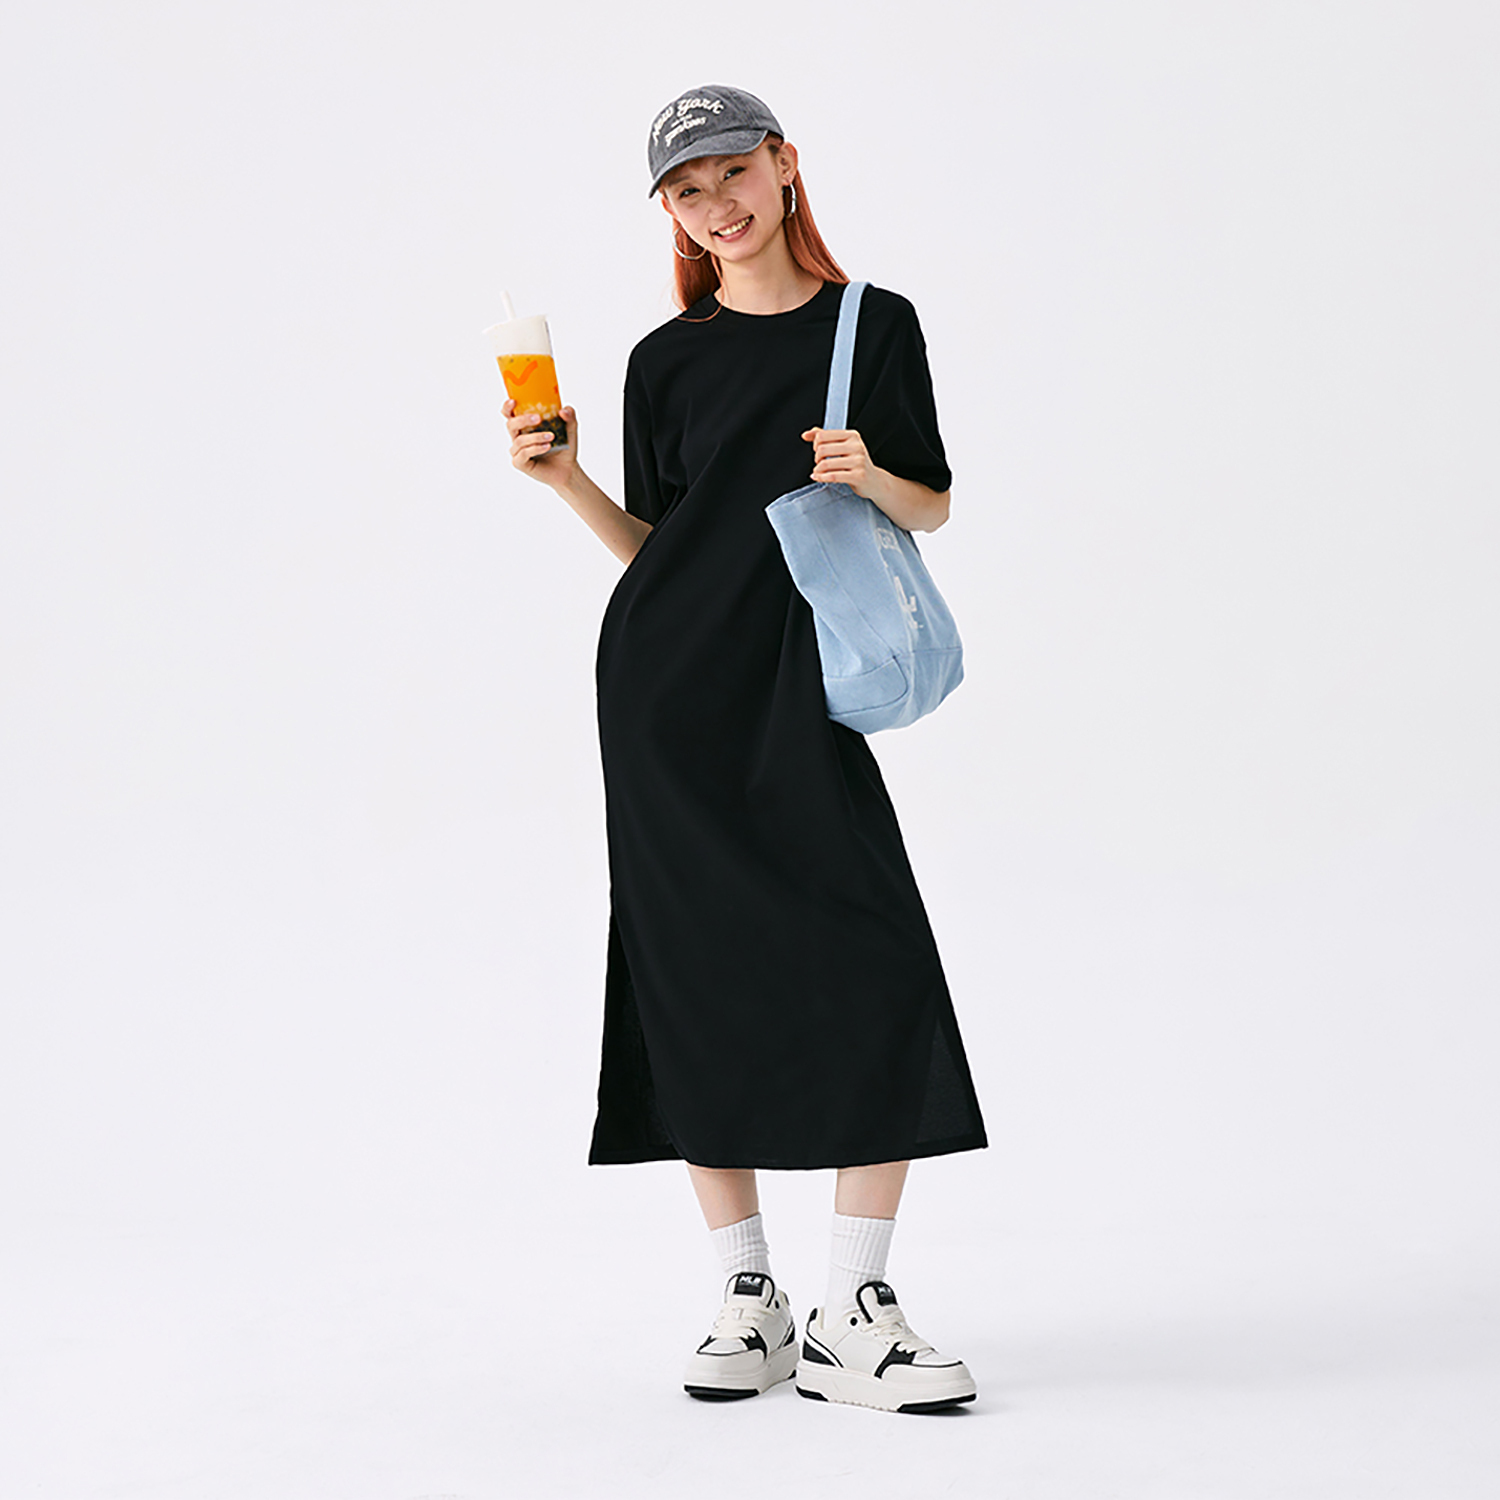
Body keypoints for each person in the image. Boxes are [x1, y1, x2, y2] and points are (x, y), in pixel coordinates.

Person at [503, 84, 988, 1414]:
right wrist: (567, 482)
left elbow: (933, 506)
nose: (714, 204)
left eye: (730, 172)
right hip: (665, 695)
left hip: (799, 691)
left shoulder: (872, 324)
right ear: (669, 211)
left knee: (875, 963)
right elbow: (663, 550)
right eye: (685, 189)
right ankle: (748, 1297)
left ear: (783, 164)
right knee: (690, 971)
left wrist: (866, 473)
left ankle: (855, 1307)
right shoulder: (664, 360)